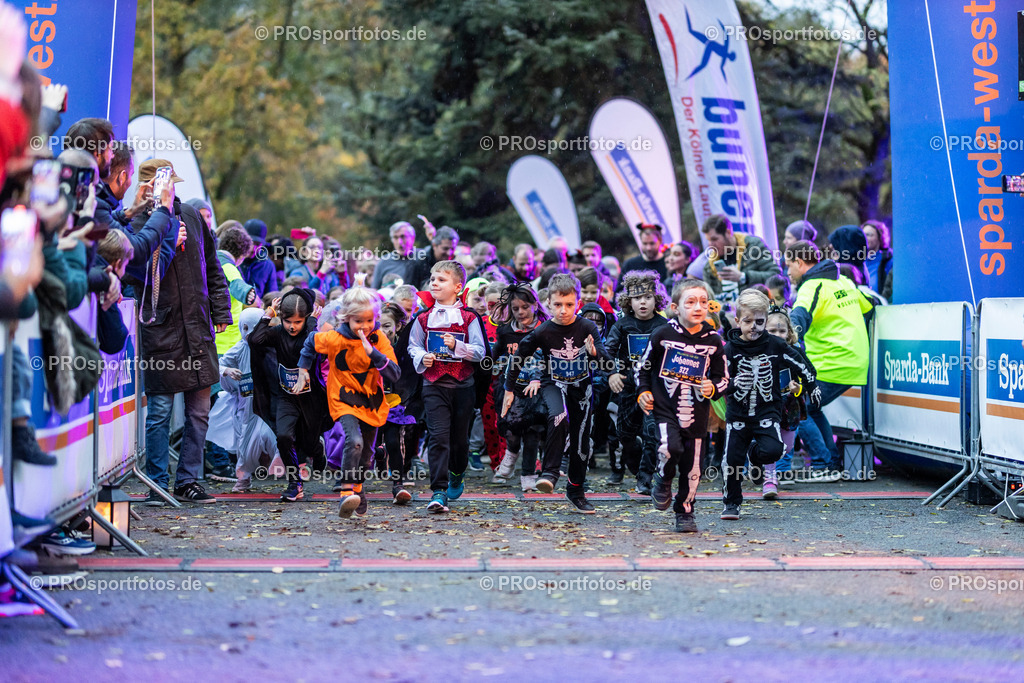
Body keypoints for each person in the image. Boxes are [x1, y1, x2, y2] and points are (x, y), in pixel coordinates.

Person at [136, 162, 231, 505]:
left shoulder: (191, 214)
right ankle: (157, 483)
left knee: (199, 412)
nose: (167, 189)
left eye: (170, 183)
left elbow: (213, 264)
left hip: (198, 328)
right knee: (159, 412)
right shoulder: (136, 223)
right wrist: (163, 243)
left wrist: (221, 310)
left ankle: (188, 480)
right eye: (162, 183)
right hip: (161, 331)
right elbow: (136, 279)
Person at [503, 273, 610, 514]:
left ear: (578, 304)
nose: (563, 310)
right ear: (548, 304)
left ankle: (576, 491)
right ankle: (549, 473)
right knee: (558, 416)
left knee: (581, 442)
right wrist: (509, 389)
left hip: (582, 387)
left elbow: (607, 362)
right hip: (553, 383)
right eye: (558, 305)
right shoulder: (543, 331)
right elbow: (519, 356)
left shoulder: (587, 326)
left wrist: (595, 354)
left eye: (569, 305)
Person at [296, 288, 400, 518]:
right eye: (358, 321)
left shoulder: (378, 339)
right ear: (346, 318)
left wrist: (373, 353)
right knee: (354, 441)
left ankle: (359, 489)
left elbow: (395, 373)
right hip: (343, 399)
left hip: (371, 401)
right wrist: (303, 369)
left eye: (369, 320)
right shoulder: (335, 338)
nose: (364, 326)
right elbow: (311, 342)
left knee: (367, 454)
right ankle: (345, 491)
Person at [637, 279, 728, 533]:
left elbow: (724, 378)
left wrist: (713, 387)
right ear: (676, 307)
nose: (698, 307)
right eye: (690, 302)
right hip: (666, 408)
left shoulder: (713, 341)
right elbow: (643, 367)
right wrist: (643, 391)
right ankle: (663, 479)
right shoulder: (663, 334)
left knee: (693, 468)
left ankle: (685, 511)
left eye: (703, 302)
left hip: (698, 415)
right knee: (669, 447)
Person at [721, 290, 820, 519]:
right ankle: (731, 503)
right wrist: (733, 383)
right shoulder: (730, 349)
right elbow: (716, 379)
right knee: (732, 461)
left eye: (759, 322)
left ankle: (755, 457)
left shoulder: (775, 345)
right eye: (747, 321)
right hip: (738, 415)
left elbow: (801, 363)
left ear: (765, 321)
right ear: (738, 321)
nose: (753, 327)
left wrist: (812, 385)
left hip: (767, 412)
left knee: (775, 449)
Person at [786, 240, 874, 477]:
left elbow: (799, 316)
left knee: (797, 407)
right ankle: (831, 460)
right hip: (853, 360)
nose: (788, 273)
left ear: (799, 263)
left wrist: (785, 341)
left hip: (833, 362)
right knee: (812, 408)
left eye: (789, 266)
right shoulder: (843, 280)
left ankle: (823, 464)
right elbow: (869, 309)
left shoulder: (811, 286)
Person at [407, 260, 488, 513]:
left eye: (441, 279)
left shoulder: (469, 317)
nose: (434, 283)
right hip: (433, 385)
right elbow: (413, 346)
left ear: (457, 286)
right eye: (432, 278)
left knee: (459, 441)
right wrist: (422, 357)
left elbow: (480, 351)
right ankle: (438, 491)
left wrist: (458, 348)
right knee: (438, 437)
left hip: (463, 385)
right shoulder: (422, 318)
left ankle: (457, 473)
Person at [248, 289, 330, 502]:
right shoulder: (277, 334)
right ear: (281, 318)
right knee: (283, 436)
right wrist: (268, 314)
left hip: (311, 398)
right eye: (288, 321)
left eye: (298, 321)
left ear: (306, 318)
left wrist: (312, 323)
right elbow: (255, 340)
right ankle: (295, 482)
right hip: (286, 396)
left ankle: (318, 451)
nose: (292, 326)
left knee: (309, 444)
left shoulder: (310, 332)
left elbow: (317, 343)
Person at [606, 270, 670, 495]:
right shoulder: (621, 325)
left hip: (654, 391)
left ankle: (645, 479)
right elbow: (607, 352)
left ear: (657, 299)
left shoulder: (665, 326)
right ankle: (636, 467)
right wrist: (611, 373)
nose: (643, 302)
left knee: (652, 432)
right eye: (637, 298)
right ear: (628, 301)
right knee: (625, 435)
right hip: (626, 388)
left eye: (648, 297)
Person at [491, 283, 548, 491]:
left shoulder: (545, 329)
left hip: (536, 388)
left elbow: (549, 358)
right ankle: (511, 453)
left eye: (525, 306)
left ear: (535, 305)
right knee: (511, 429)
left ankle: (528, 475)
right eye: (516, 308)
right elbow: (495, 354)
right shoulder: (506, 331)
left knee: (532, 429)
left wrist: (539, 377)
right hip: (510, 387)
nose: (521, 312)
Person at [218, 308, 281, 493]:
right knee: (245, 442)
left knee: (276, 435)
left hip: (269, 404)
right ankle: (243, 478)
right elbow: (219, 364)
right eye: (246, 328)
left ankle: (285, 462)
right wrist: (227, 371)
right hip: (247, 405)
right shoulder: (240, 348)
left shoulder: (272, 346)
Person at [376, 302, 421, 502]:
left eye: (387, 326)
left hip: (395, 403)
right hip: (371, 404)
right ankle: (351, 482)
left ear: (398, 326)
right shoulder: (368, 345)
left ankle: (398, 484)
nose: (383, 331)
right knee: (372, 447)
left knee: (394, 442)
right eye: (379, 326)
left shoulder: (403, 347)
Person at [701, 214, 781, 309]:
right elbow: (710, 298)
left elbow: (777, 277)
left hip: (756, 309)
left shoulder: (753, 246)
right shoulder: (709, 265)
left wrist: (744, 277)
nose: (711, 245)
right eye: (708, 240)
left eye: (714, 239)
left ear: (728, 232)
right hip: (725, 315)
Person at [215, 225, 258, 357]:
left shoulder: (210, 261)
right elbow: (236, 285)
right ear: (242, 254)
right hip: (227, 343)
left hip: (211, 338)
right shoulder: (229, 267)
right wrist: (248, 293)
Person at [618, 224, 667, 288]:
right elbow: (619, 291)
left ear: (660, 241)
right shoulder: (630, 265)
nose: (648, 248)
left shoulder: (669, 263)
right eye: (645, 243)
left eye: (652, 243)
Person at [372, 221, 418, 289]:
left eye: (403, 237)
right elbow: (375, 292)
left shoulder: (424, 258)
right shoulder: (384, 262)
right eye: (395, 237)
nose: (400, 242)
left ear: (413, 238)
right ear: (392, 240)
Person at [240, 219, 277, 299]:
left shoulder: (268, 265)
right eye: (250, 242)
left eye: (257, 244)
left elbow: (272, 296)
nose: (253, 248)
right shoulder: (233, 260)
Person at [861, 219, 893, 300]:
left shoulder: (888, 260)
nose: (865, 238)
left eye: (869, 235)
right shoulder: (859, 260)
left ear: (880, 237)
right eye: (863, 235)